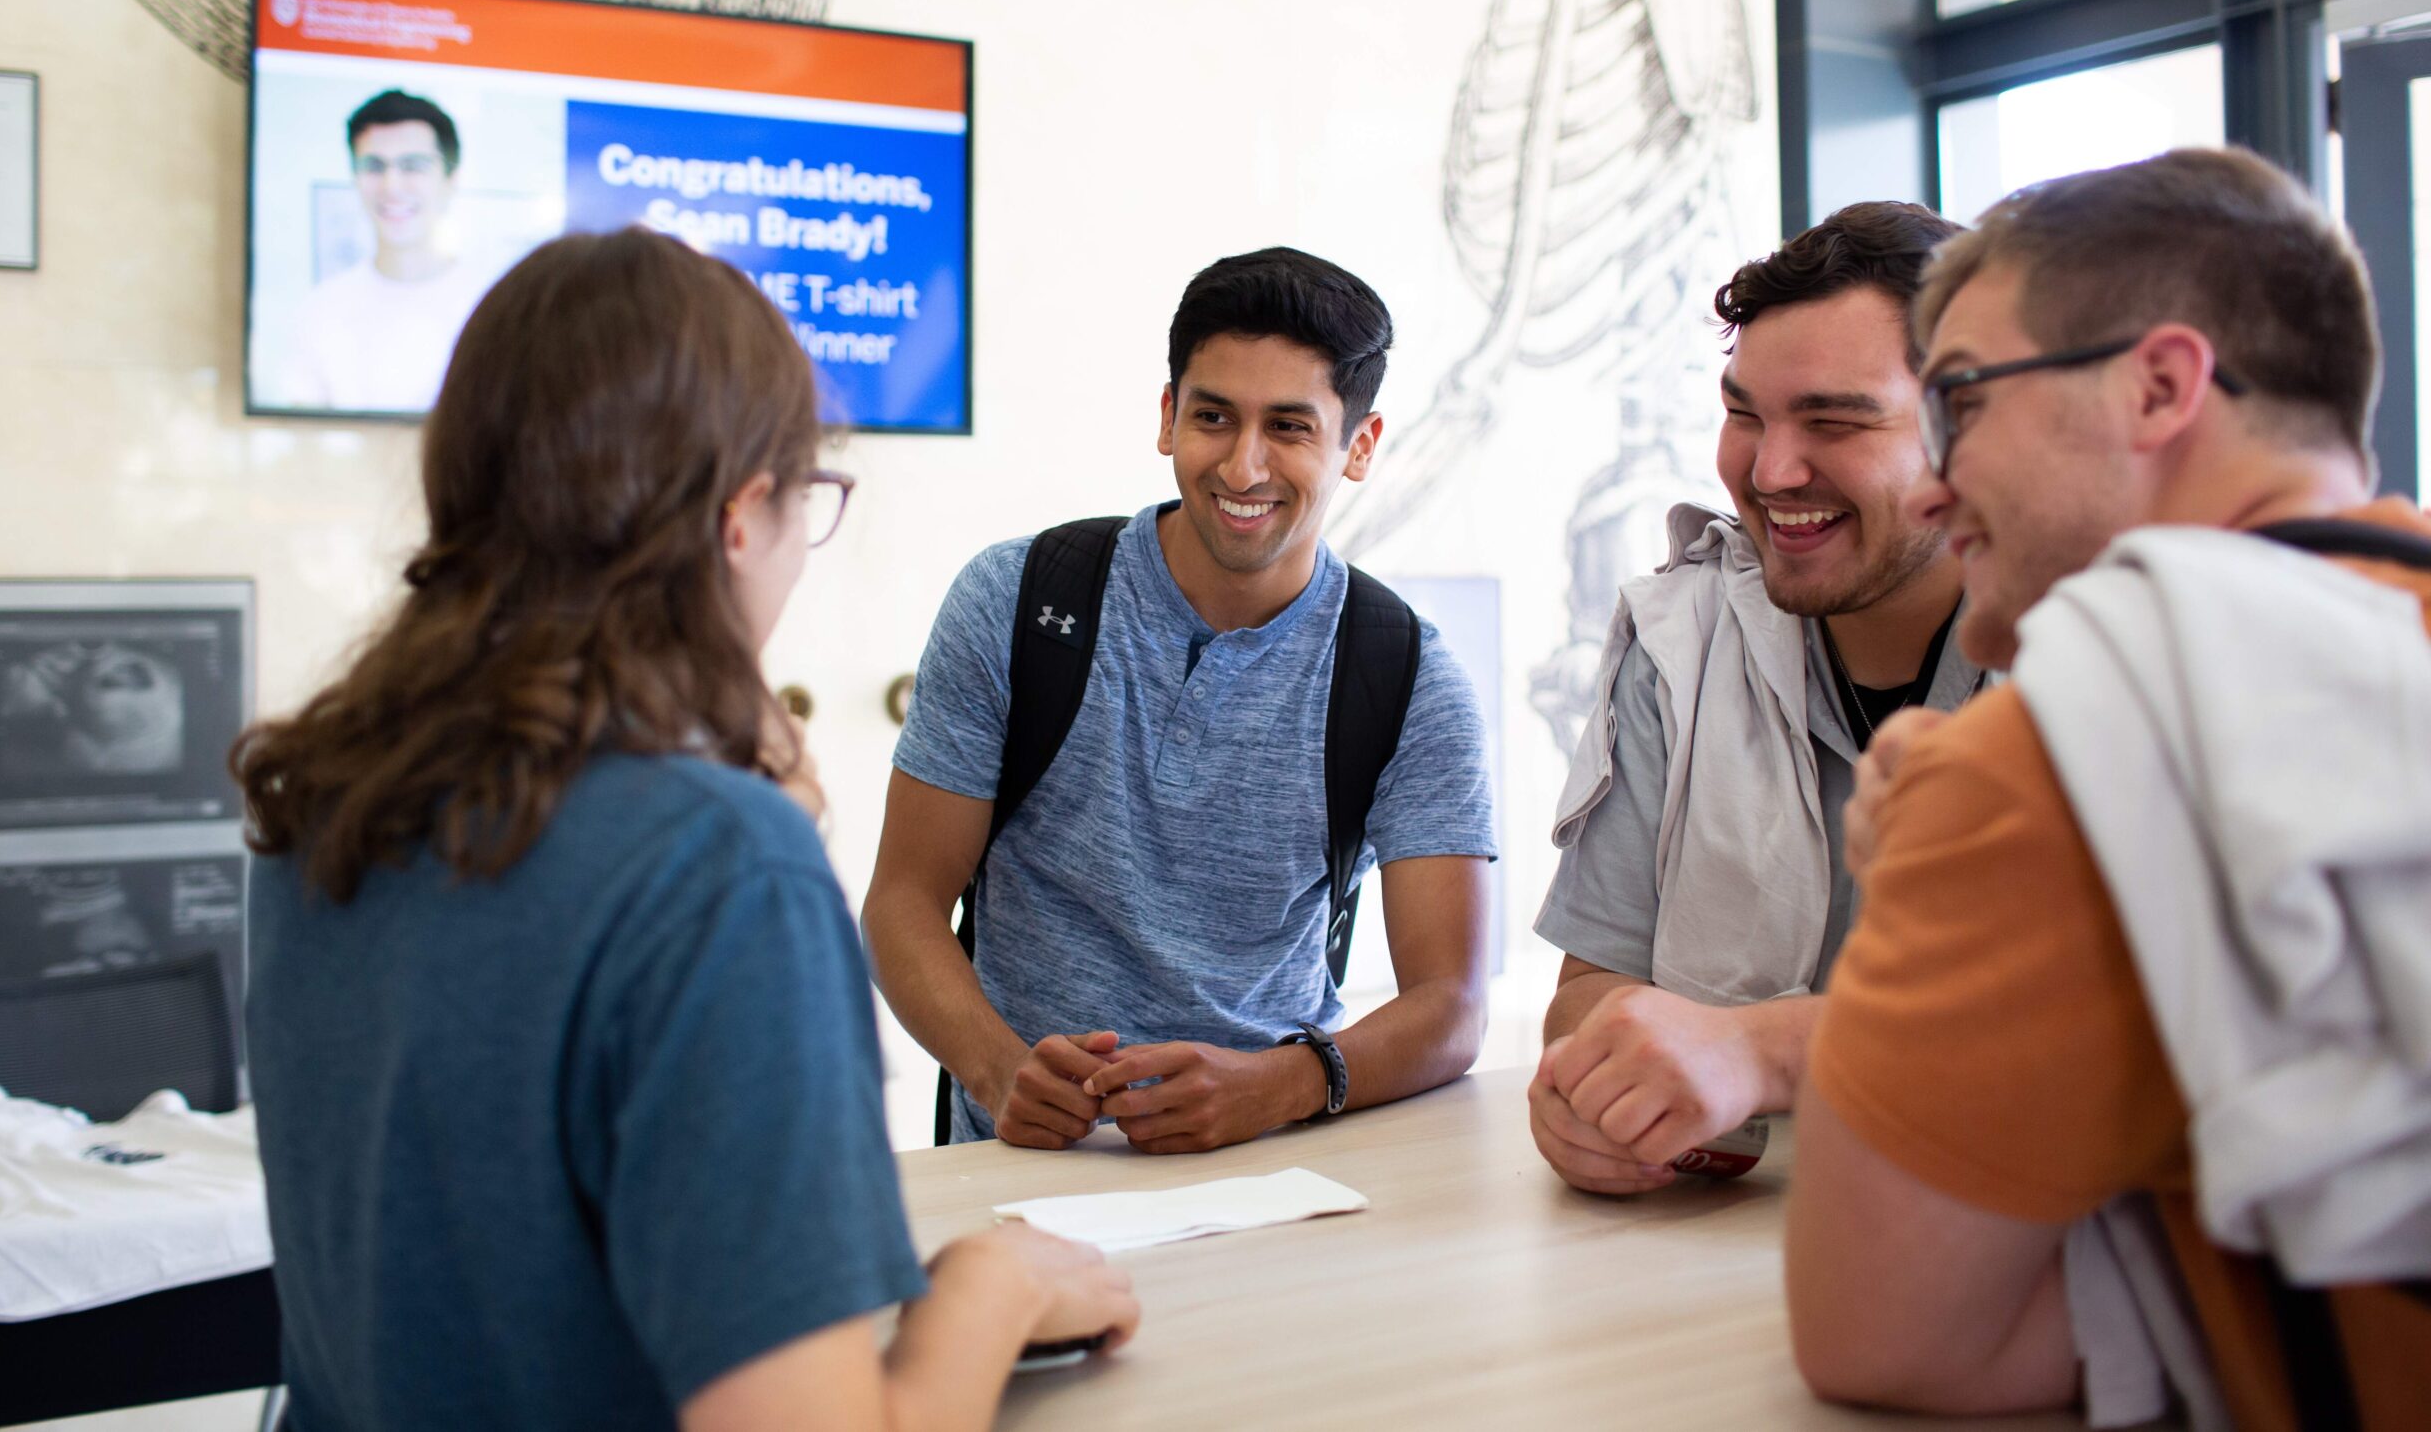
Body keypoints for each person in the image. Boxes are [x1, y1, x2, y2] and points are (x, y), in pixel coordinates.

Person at [235, 230, 1138, 1431]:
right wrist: (995, 1282)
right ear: (737, 515)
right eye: (807, 500)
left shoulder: (329, 797)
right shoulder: (717, 866)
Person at [1785, 148, 2431, 1425]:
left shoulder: (2068, 755)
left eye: (1959, 400)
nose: (1929, 480)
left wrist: (1938, 837)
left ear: (2159, 386)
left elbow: (1884, 1338)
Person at [863, 247, 1497, 1151]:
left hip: (1275, 1165)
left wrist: (1279, 1086)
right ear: (1167, 418)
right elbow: (902, 902)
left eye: (1289, 427)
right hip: (1018, 1164)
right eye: (1213, 417)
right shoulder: (1013, 601)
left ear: (1359, 446)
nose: (1243, 466)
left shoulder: (1406, 677)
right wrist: (998, 1070)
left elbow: (1453, 1006)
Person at [1528, 203, 1976, 1196]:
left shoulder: (2094, 646)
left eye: (1834, 421)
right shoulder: (1676, 635)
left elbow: (2132, 1019)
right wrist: (1601, 1095)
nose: (1768, 473)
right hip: (1736, 1248)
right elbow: (1591, 993)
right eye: (1744, 416)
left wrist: (1765, 1053)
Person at [282, 90, 500, 414]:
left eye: (413, 166)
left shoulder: (494, 306)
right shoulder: (319, 310)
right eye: (373, 166)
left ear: (451, 180)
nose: (391, 186)